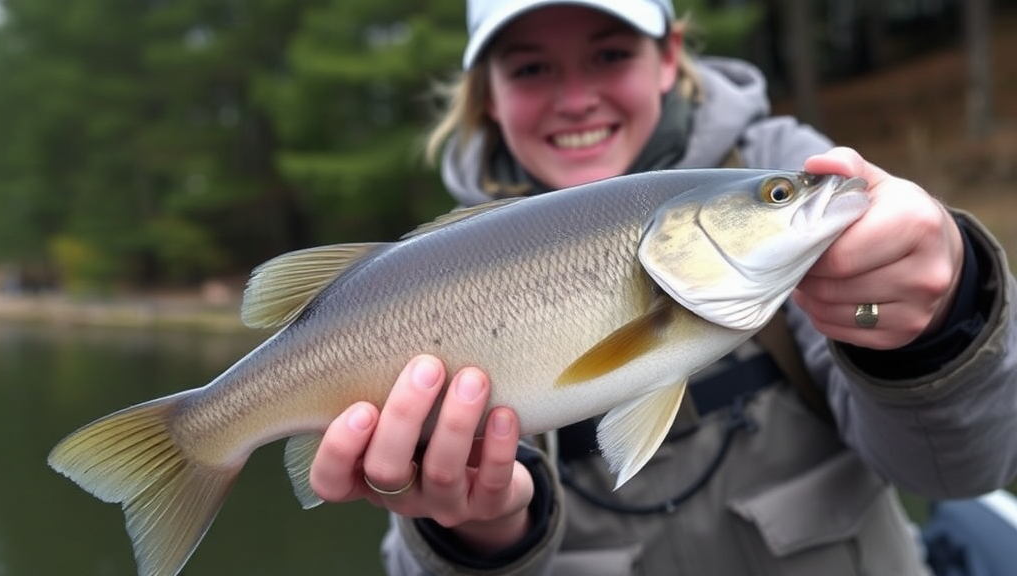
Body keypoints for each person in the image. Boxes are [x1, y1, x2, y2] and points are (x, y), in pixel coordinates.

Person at [307, 1, 1017, 574]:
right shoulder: (421, 274)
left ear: (670, 56)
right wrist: (479, 529)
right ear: (487, 97)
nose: (577, 98)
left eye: (610, 54)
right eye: (530, 68)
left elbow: (955, 470)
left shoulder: (783, 166)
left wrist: (928, 321)